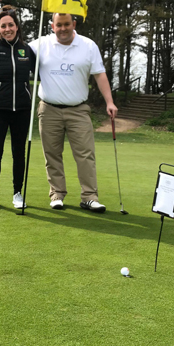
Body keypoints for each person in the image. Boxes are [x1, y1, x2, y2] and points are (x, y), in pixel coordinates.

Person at [30, 13, 117, 212]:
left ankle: (89, 197)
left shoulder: (88, 46)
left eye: (67, 24)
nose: (63, 28)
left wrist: (109, 102)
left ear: (74, 24)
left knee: (85, 154)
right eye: (59, 25)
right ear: (52, 26)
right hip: (49, 109)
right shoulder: (41, 44)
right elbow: (17, 51)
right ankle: (57, 194)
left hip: (78, 110)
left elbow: (100, 74)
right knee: (52, 154)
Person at [0, 5, 35, 210]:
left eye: (10, 25)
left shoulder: (27, 50)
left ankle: (17, 193)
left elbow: (40, 71)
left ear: (17, 26)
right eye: (3, 26)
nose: (7, 29)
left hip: (22, 110)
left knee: (19, 153)